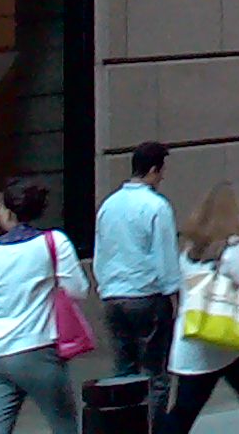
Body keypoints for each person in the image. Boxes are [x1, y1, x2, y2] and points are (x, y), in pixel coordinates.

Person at [0, 178, 90, 434]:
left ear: (9, 212)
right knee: (64, 425)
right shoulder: (54, 242)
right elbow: (78, 289)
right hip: (36, 347)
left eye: (0, 207)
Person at [165, 185, 239, 434]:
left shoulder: (189, 251)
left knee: (183, 412)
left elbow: (203, 290)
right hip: (233, 340)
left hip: (196, 341)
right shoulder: (231, 249)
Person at [96, 143, 182, 384]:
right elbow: (165, 257)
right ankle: (153, 411)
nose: (163, 176)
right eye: (162, 170)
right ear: (154, 170)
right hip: (147, 295)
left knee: (124, 372)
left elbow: (101, 251)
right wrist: (176, 295)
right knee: (155, 373)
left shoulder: (108, 205)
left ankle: (127, 409)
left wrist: (105, 287)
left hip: (113, 296)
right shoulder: (157, 206)